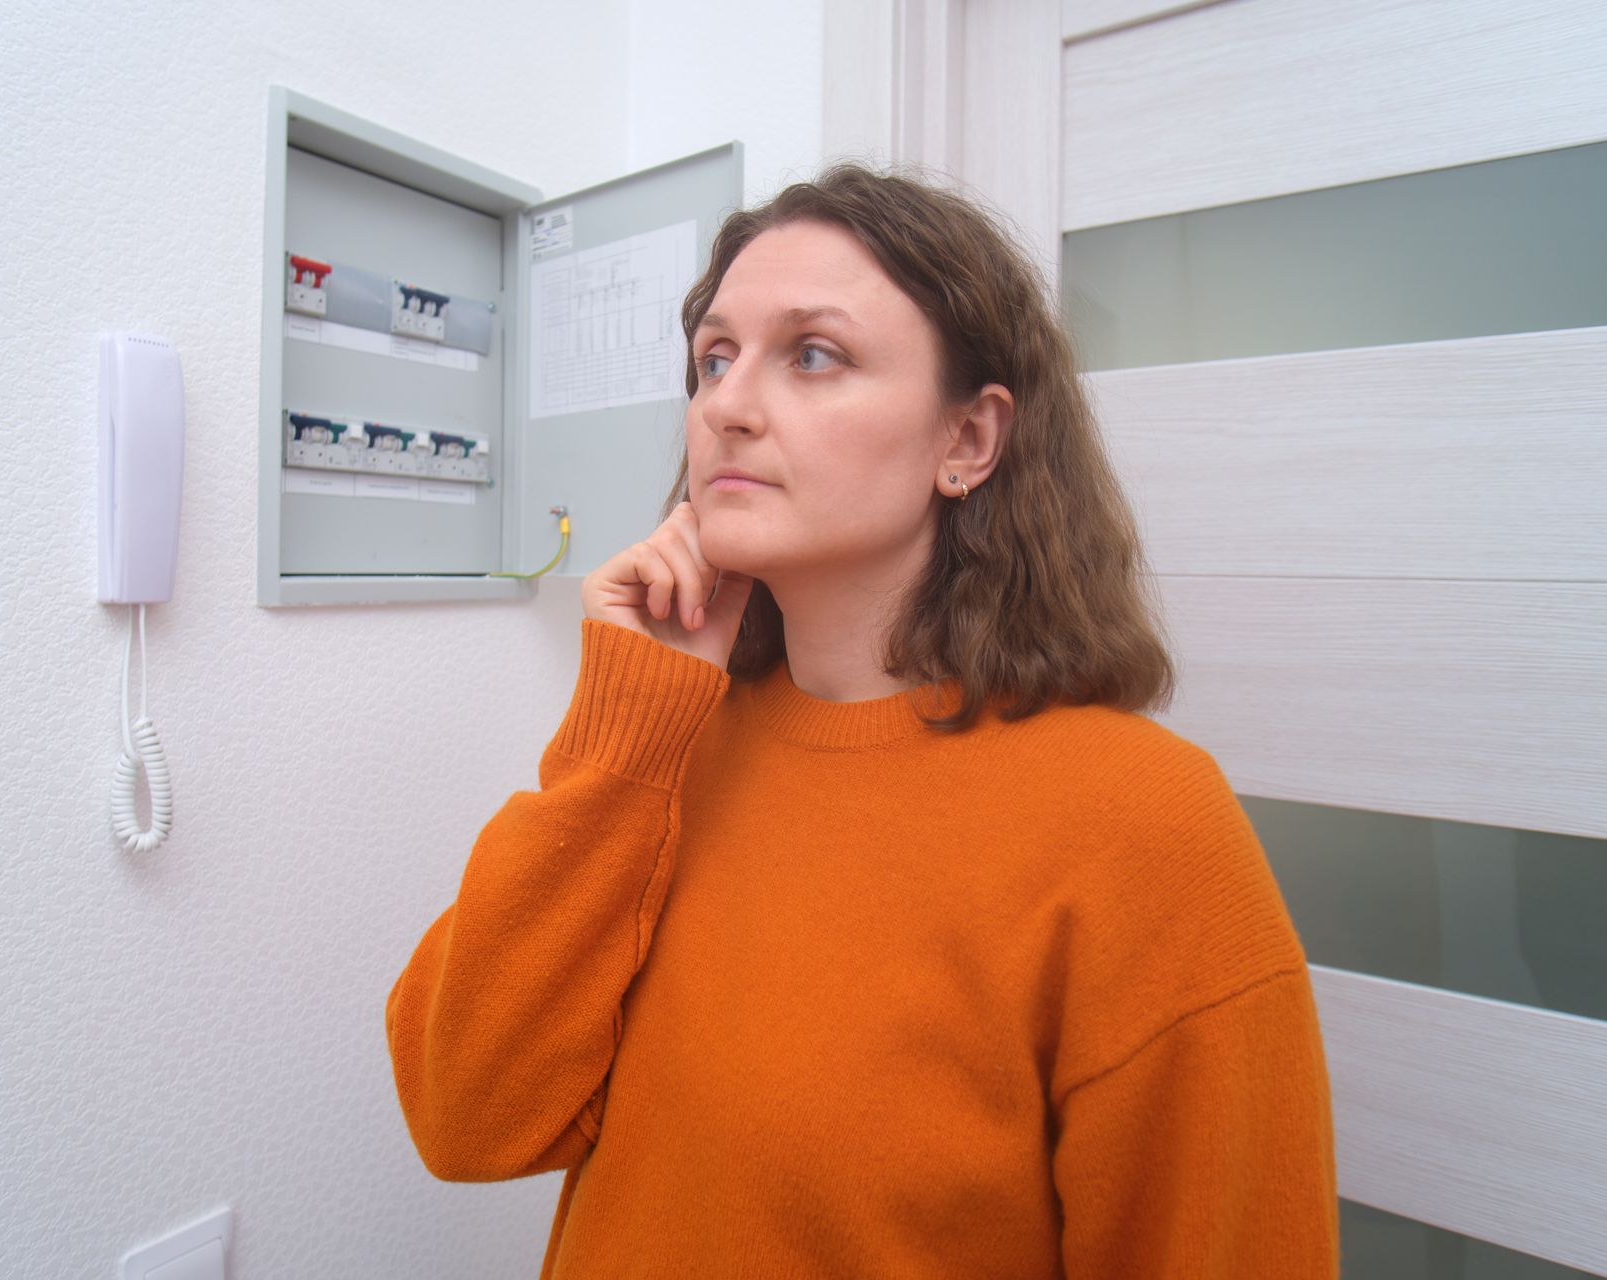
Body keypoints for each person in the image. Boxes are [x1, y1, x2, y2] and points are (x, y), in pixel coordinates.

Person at [386, 162, 1339, 1278]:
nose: (729, 405)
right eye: (714, 358)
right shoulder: (667, 747)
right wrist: (626, 731)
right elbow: (466, 1116)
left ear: (968, 442)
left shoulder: (1143, 825)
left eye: (815, 354)